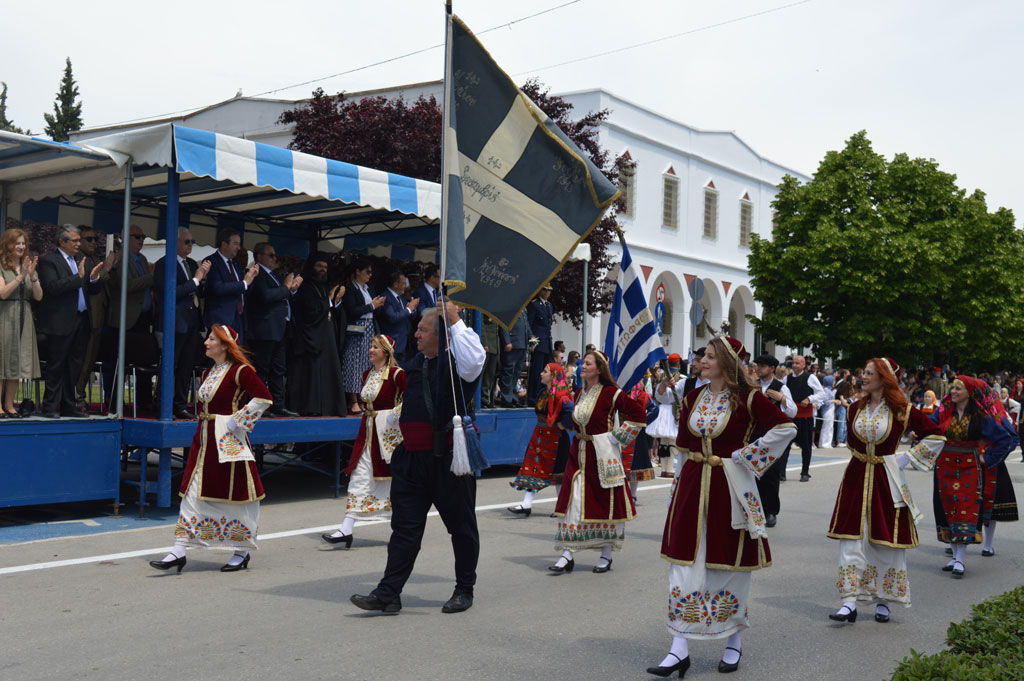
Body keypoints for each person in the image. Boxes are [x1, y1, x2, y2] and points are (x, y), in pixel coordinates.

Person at [649, 337, 795, 677]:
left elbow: (785, 427)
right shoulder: (693, 396)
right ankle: (678, 649)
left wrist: (747, 458)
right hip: (692, 485)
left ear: (728, 363)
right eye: (703, 355)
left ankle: (733, 642)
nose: (703, 360)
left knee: (727, 566)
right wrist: (676, 490)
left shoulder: (749, 398)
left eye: (711, 356)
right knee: (683, 567)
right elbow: (684, 447)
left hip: (729, 489)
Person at [350, 301, 486, 615]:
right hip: (412, 460)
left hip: (449, 459)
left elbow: (475, 359)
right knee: (404, 530)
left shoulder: (458, 367)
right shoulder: (414, 365)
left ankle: (464, 589)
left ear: (443, 336)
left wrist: (454, 320)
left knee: (461, 528)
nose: (416, 334)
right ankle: (388, 593)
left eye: (423, 330)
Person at [826, 358, 945, 625]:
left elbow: (936, 436)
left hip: (886, 477)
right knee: (850, 537)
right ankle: (849, 601)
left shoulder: (903, 409)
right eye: (863, 372)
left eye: (869, 373)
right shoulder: (855, 407)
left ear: (884, 378)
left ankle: (883, 599)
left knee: (884, 539)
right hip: (856, 476)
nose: (863, 377)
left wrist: (907, 458)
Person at [149, 324, 272, 573]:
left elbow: (263, 397)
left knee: (237, 495)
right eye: (207, 337)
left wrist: (237, 421)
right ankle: (178, 550)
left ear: (225, 345)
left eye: (212, 339)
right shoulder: (208, 373)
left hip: (228, 441)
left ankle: (242, 550)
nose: (206, 342)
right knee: (191, 492)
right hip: (203, 440)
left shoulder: (242, 371)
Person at [549, 350, 645, 575]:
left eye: (588, 363)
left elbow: (639, 414)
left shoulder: (612, 393)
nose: (582, 366)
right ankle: (567, 554)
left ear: (599, 369)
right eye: (583, 362)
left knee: (605, 503)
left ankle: (606, 554)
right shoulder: (579, 394)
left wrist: (618, 436)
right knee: (572, 500)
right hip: (579, 453)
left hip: (602, 455)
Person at [927, 376, 1016, 578]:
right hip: (945, 467)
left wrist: (988, 458)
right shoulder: (942, 413)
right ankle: (954, 556)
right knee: (946, 507)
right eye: (953, 388)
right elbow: (926, 427)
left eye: (958, 388)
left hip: (969, 468)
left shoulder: (980, 417)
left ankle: (960, 559)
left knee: (965, 510)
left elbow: (1006, 439)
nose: (954, 392)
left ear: (969, 392)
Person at [323, 334, 406, 548]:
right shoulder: (366, 375)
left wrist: (396, 412)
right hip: (368, 432)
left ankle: (403, 527)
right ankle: (346, 528)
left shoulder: (397, 375)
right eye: (371, 346)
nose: (371, 350)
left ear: (386, 352)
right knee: (360, 475)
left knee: (394, 481)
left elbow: (411, 398)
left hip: (388, 435)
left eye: (376, 347)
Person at [36, 225, 111, 418]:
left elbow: (91, 290)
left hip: (81, 319)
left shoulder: (81, 260)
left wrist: (93, 279)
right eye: (75, 241)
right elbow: (53, 287)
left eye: (79, 240)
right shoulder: (48, 261)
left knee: (75, 365)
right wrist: (78, 278)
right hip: (60, 322)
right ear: (62, 241)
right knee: (56, 365)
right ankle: (50, 406)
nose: (78, 244)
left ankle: (69, 405)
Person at [153, 227, 210, 419]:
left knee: (187, 366)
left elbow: (196, 288)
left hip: (192, 320)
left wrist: (201, 281)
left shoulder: (192, 263)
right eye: (187, 242)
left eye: (192, 242)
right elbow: (171, 292)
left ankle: (180, 404)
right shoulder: (164, 264)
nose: (191, 245)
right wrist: (196, 280)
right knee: (171, 365)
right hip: (174, 321)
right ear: (175, 242)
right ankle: (163, 404)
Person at [507, 362, 573, 516]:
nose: (541, 374)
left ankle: (562, 507)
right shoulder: (543, 393)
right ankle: (526, 504)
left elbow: (572, 411)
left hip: (556, 439)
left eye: (545, 371)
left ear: (553, 376)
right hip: (539, 436)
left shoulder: (561, 396)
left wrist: (562, 425)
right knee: (532, 467)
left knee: (559, 473)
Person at [287, 254, 346, 417]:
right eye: (319, 266)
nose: (322, 270)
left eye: (325, 267)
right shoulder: (305, 287)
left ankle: (328, 407)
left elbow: (330, 309)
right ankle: (312, 407)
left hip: (325, 337)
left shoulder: (325, 286)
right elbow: (309, 310)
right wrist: (329, 300)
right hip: (309, 339)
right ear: (311, 267)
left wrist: (335, 301)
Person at [246, 242, 301, 417]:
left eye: (275, 255)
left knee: (278, 368)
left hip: (280, 327)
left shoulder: (274, 275)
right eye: (271, 255)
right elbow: (265, 296)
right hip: (264, 328)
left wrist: (291, 289)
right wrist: (286, 288)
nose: (275, 258)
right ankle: (259, 406)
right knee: (262, 368)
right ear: (259, 256)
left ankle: (278, 404)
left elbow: (282, 294)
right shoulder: (258, 273)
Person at [0, 229, 42, 417]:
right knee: (2, 363)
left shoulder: (28, 266)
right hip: (5, 317)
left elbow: (39, 296)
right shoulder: (2, 266)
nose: (21, 247)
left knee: (16, 364)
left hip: (24, 317)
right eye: (17, 243)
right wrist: (20, 276)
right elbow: (3, 293)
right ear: (7, 244)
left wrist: (31, 275)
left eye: (23, 243)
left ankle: (9, 405)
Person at [752, 353, 797, 528]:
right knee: (752, 472)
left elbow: (793, 411)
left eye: (762, 366)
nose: (758, 368)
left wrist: (782, 399)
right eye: (757, 365)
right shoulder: (752, 386)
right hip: (753, 435)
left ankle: (770, 511)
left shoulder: (781, 387)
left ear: (771, 369)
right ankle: (755, 509)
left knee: (771, 474)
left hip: (772, 437)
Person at [74, 226, 110, 412]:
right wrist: (108, 266)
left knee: (89, 362)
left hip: (99, 318)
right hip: (88, 319)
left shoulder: (94, 258)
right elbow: (91, 279)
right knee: (84, 361)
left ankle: (80, 397)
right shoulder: (80, 259)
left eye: (96, 239)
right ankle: (78, 399)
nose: (94, 243)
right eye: (89, 239)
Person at [342, 258, 385, 414]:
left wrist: (378, 305)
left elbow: (375, 312)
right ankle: (352, 401)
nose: (370, 275)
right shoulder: (350, 288)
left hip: (370, 329)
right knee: (353, 364)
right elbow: (352, 310)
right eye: (367, 271)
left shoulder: (369, 289)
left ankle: (363, 399)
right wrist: (371, 305)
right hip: (356, 330)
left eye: (371, 272)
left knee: (368, 364)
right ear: (358, 272)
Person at [203, 228, 258, 342]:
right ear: (224, 244)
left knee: (236, 356)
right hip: (220, 319)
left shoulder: (236, 264)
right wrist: (244, 283)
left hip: (238, 318)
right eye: (235, 244)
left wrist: (251, 278)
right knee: (219, 357)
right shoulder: (211, 262)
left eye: (239, 244)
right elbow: (218, 288)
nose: (239, 247)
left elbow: (244, 288)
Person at [784, 355, 826, 482]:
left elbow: (821, 394)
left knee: (806, 446)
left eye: (798, 363)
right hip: (791, 416)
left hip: (805, 416)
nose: (795, 365)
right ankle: (781, 472)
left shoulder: (810, 377)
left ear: (803, 365)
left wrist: (809, 399)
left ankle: (805, 472)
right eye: (794, 363)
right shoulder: (787, 379)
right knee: (785, 445)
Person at [374, 271, 419, 364]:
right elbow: (393, 317)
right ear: (395, 284)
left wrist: (413, 309)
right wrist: (409, 309)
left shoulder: (401, 297)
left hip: (403, 343)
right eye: (403, 284)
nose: (406, 286)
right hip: (391, 344)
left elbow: (409, 316)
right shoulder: (385, 297)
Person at [648, 364, 680, 478]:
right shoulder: (680, 379)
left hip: (667, 410)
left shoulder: (663, 378)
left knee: (668, 440)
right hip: (671, 410)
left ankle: (667, 468)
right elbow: (659, 394)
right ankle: (668, 468)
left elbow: (658, 394)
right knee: (669, 440)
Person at [526, 285, 554, 404]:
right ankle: (533, 397)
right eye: (545, 290)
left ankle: (543, 396)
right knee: (537, 372)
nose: (547, 292)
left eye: (549, 290)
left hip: (547, 342)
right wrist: (531, 339)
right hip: (539, 342)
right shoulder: (534, 304)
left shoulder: (549, 305)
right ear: (540, 290)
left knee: (547, 371)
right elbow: (529, 323)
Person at [497, 308, 529, 407]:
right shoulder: (510, 307)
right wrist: (506, 341)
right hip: (512, 344)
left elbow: (526, 326)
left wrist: (531, 336)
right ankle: (506, 398)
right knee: (508, 373)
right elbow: (504, 325)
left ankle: (513, 397)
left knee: (516, 374)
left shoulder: (523, 309)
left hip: (521, 344)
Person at [480, 313, 501, 408]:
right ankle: (478, 399)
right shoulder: (483, 307)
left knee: (489, 374)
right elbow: (481, 326)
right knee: (481, 373)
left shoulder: (495, 307)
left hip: (494, 345)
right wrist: (484, 342)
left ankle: (485, 398)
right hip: (487, 344)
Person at [818, 374, 837, 448]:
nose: (834, 382)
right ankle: (823, 443)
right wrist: (834, 401)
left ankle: (828, 443)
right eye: (833, 381)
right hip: (827, 410)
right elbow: (824, 402)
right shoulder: (826, 390)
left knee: (830, 427)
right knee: (826, 427)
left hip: (831, 410)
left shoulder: (829, 390)